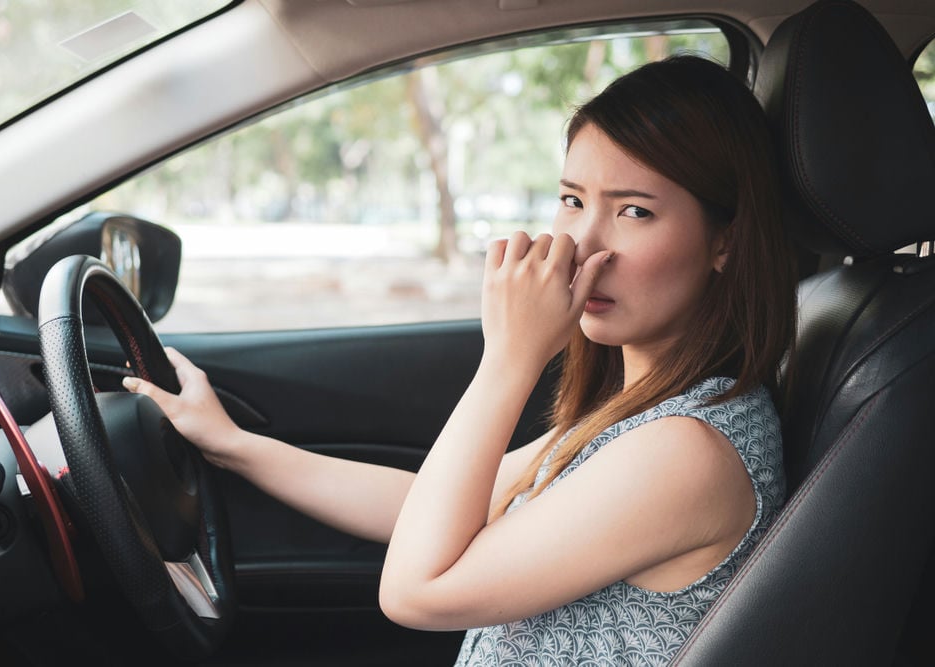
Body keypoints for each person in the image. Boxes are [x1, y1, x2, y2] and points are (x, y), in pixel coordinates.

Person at [123, 54, 797, 665]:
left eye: (635, 212)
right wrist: (236, 446)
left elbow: (418, 590)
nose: (583, 245)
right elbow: (434, 508)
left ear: (724, 243)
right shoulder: (644, 411)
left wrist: (510, 356)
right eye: (572, 200)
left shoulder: (686, 449)